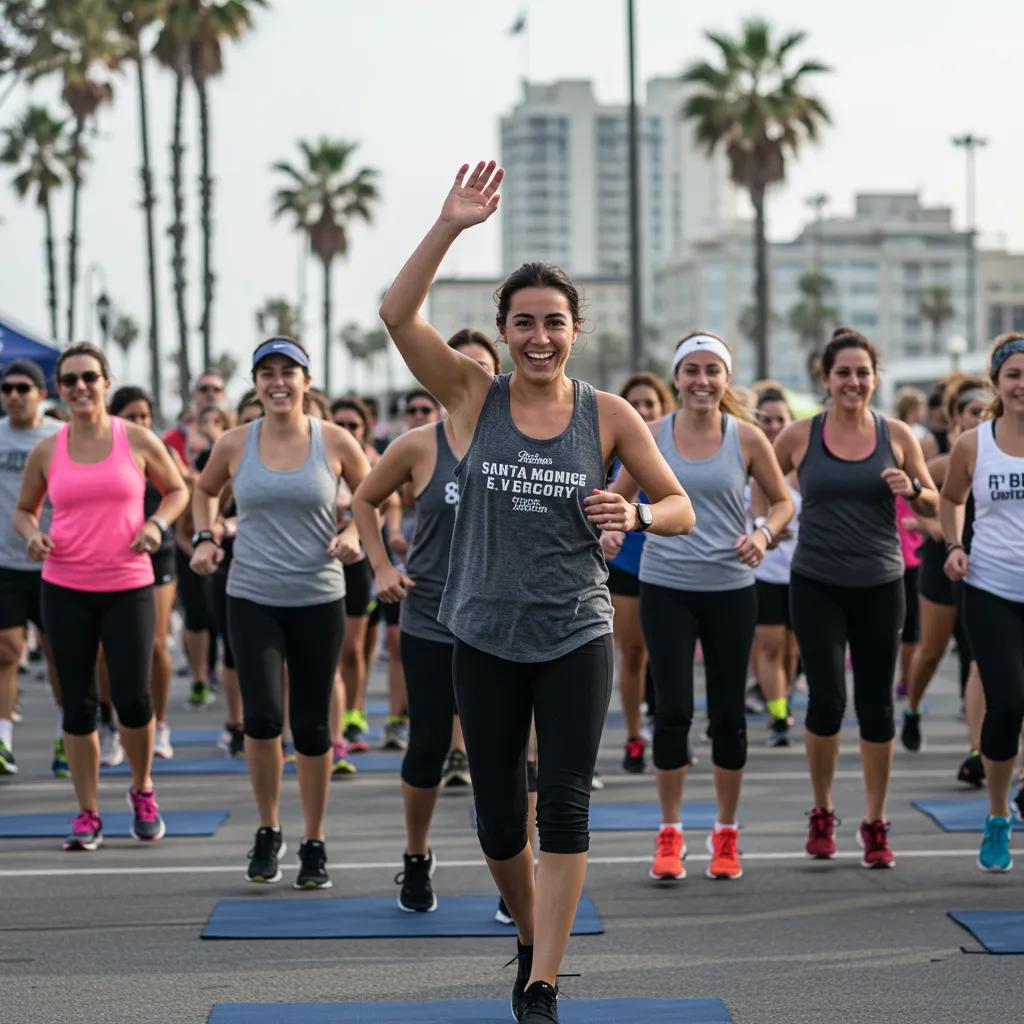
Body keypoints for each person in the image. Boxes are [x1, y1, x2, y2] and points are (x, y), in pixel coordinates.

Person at [378, 161, 695, 1024]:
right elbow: (396, 315)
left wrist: (633, 511)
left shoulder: (609, 416)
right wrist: (448, 226)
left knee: (563, 805)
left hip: (574, 633)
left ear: (576, 330)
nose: (539, 337)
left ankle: (544, 982)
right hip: (478, 633)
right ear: (505, 331)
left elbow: (681, 505)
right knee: (495, 825)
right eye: (524, 324)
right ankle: (530, 931)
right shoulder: (472, 397)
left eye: (554, 323)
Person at [609, 334, 792, 883]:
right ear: (676, 378)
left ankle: (726, 832)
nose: (702, 380)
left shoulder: (748, 438)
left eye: (713, 370)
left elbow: (782, 502)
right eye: (691, 370)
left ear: (727, 380)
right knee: (671, 714)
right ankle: (670, 833)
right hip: (665, 585)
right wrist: (613, 531)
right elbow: (621, 494)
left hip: (731, 588)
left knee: (729, 717)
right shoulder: (653, 434)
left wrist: (763, 534)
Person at [191, 337, 369, 888]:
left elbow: (374, 498)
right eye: (266, 372)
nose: (277, 382)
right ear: (255, 383)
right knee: (263, 719)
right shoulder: (234, 443)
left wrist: (352, 532)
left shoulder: (335, 441)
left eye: (288, 372)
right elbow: (203, 490)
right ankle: (269, 829)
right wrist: (204, 536)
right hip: (251, 596)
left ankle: (314, 840)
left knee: (312, 726)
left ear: (306, 382)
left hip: (319, 596)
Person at [774, 328, 938, 869]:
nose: (853, 381)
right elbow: (762, 487)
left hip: (880, 584)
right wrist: (768, 528)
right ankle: (822, 812)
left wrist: (913, 490)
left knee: (875, 706)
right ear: (825, 379)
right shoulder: (800, 435)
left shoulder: (897, 435)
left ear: (874, 378)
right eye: (842, 372)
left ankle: (874, 821)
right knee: (825, 702)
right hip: (816, 582)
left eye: (862, 372)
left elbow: (936, 505)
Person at [14, 342, 188, 850]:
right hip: (65, 586)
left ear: (106, 383)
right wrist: (30, 534)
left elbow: (177, 490)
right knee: (77, 705)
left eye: (89, 377)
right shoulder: (48, 448)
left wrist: (156, 524)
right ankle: (87, 812)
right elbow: (26, 508)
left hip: (128, 584)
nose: (80, 388)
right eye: (69, 381)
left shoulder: (135, 438)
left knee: (133, 700)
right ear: (60, 390)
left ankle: (142, 789)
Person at [352, 328, 500, 913]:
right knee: (428, 746)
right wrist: (382, 567)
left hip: (502, 622)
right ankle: (416, 856)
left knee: (504, 756)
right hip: (431, 615)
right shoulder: (417, 446)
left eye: (483, 368)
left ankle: (516, 877)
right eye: (460, 365)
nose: (470, 376)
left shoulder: (528, 440)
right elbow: (364, 501)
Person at [940, 333, 1024, 873]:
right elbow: (951, 499)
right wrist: (954, 545)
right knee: (1009, 703)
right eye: (1014, 375)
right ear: (996, 384)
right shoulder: (976, 444)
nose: (1023, 385)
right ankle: (997, 814)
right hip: (991, 588)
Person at [901, 377, 989, 768]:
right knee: (932, 651)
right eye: (973, 412)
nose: (979, 419)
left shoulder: (1003, 453)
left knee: (979, 659)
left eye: (986, 413)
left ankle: (976, 749)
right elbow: (909, 509)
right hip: (942, 564)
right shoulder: (941, 463)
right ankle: (913, 706)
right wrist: (933, 527)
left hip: (984, 566)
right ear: (957, 417)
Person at [109, 386, 187, 760]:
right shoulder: (101, 451)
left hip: (159, 553)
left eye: (144, 416)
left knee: (156, 643)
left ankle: (161, 724)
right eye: (131, 416)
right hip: (109, 556)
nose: (140, 423)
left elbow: (184, 492)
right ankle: (112, 726)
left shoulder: (161, 451)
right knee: (106, 650)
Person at [601, 372, 673, 774]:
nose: (643, 411)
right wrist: (612, 529)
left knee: (664, 654)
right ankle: (633, 735)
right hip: (628, 562)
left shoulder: (673, 447)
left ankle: (664, 724)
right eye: (636, 404)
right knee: (632, 653)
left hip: (669, 562)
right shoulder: (615, 446)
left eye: (650, 404)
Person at [0, 359, 63, 776]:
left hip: (56, 561)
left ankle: (68, 736)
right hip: (5, 561)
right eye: (7, 389)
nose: (14, 396)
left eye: (24, 388)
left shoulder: (61, 437)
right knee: (6, 650)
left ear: (42, 394)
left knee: (61, 655)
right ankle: (3, 742)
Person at [751, 387, 802, 747]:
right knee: (769, 646)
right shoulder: (747, 460)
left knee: (792, 650)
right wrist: (762, 530)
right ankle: (779, 715)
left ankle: (783, 699)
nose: (772, 426)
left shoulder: (803, 466)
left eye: (779, 420)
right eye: (765, 420)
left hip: (803, 573)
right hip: (763, 572)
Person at [162, 369, 226, 467]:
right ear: (194, 394)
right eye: (204, 389)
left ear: (223, 395)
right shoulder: (172, 438)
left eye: (216, 389)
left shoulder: (238, 433)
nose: (210, 394)